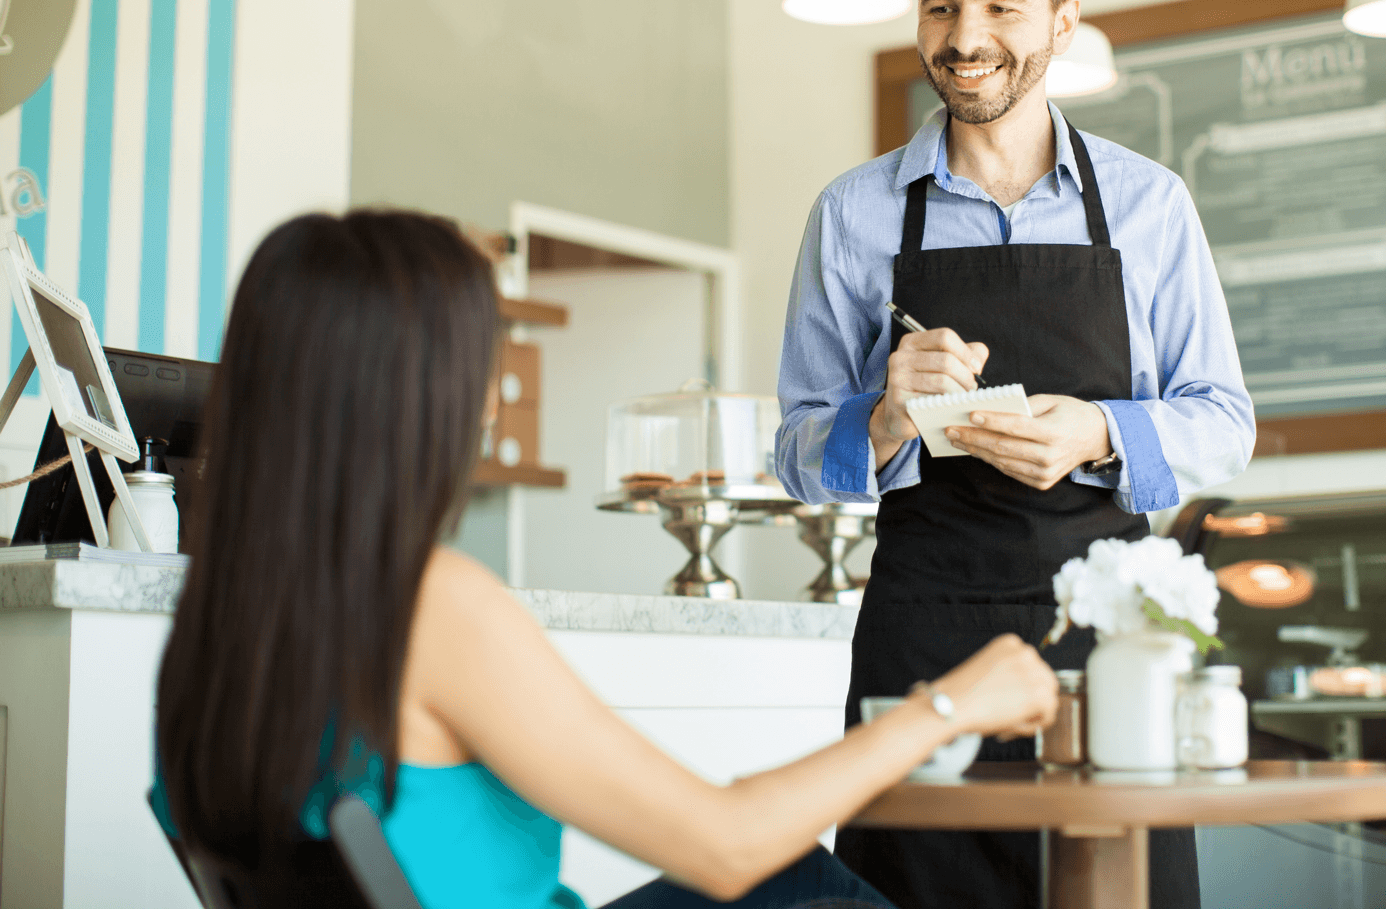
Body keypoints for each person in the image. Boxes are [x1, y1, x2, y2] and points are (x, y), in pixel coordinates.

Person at [152, 210, 1059, 909]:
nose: (485, 408)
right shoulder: (431, 609)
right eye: (477, 372)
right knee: (797, 880)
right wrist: (950, 706)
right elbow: (725, 838)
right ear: (409, 400)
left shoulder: (216, 625)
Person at [775, 0, 1255, 909]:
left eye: (1000, 7)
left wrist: (1097, 429)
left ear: (1062, 24)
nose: (964, 37)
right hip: (919, 642)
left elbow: (1224, 422)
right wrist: (883, 416)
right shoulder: (853, 216)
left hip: (1105, 647)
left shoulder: (1147, 206)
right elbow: (798, 451)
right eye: (940, 6)